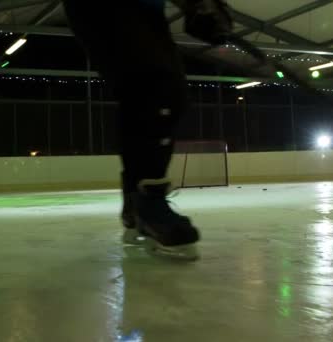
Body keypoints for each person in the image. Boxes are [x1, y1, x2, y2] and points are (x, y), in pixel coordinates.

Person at [62, 0, 232, 260]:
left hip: (147, 10)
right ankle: (149, 204)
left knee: (168, 95)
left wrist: (201, 5)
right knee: (153, 86)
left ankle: (136, 204)